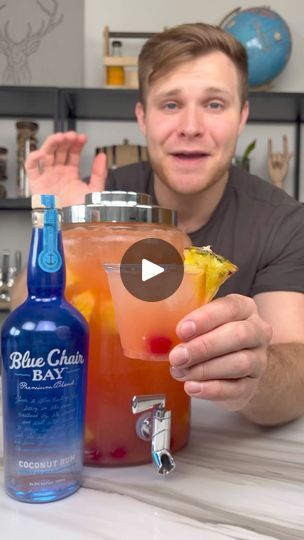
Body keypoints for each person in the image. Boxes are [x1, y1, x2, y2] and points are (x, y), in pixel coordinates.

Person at [14, 23, 304, 427]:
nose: (190, 126)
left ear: (242, 117)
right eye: (170, 104)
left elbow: (295, 373)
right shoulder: (102, 199)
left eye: (214, 104)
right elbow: (26, 333)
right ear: (142, 118)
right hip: (99, 430)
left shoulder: (282, 221)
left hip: (215, 449)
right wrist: (60, 229)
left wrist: (254, 375)